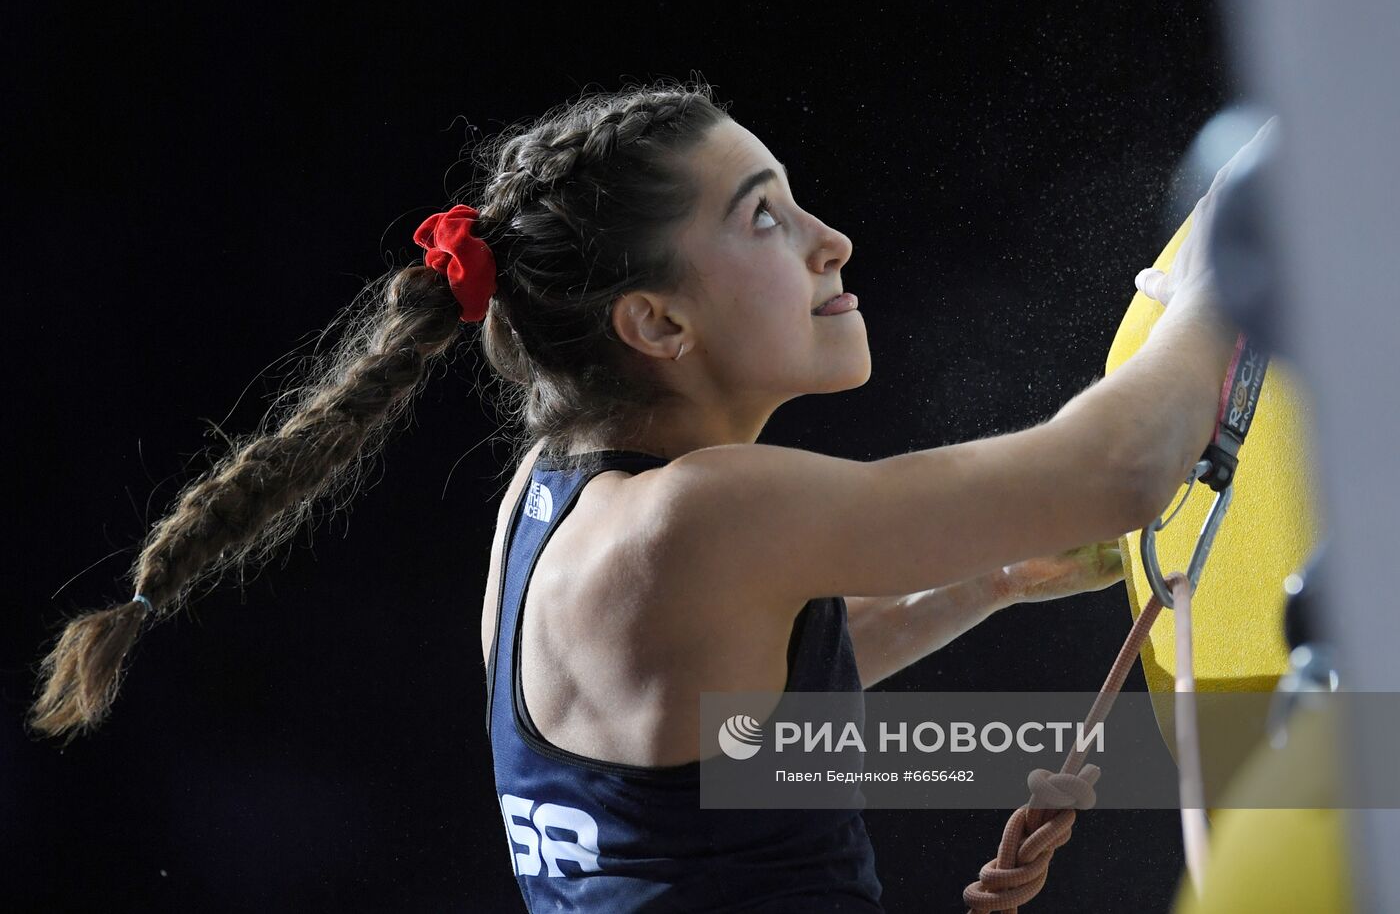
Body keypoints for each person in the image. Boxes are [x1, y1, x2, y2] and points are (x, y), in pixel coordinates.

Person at [30, 80, 1258, 911]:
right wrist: (1235, 265)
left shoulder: (554, 502)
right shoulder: (697, 515)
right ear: (654, 321)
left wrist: (989, 583)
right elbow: (1110, 465)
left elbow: (737, 744)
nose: (829, 240)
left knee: (1328, 763)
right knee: (1343, 772)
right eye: (766, 219)